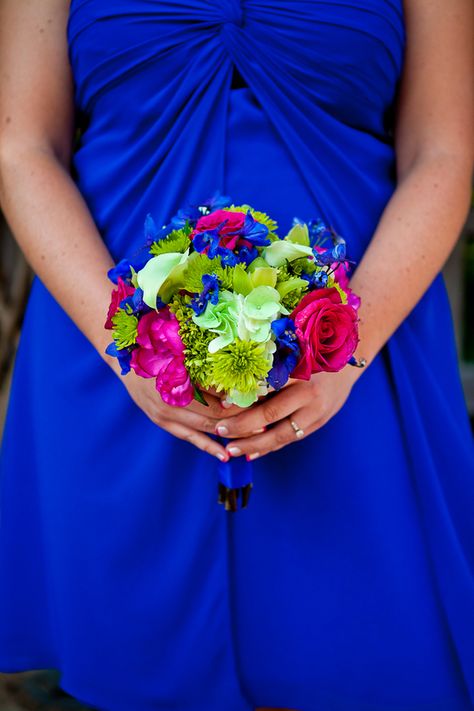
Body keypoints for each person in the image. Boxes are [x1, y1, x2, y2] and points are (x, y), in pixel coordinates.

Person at [0, 1, 473, 710]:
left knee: (360, 666)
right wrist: (129, 347)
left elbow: (445, 152)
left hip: (358, 370)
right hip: (116, 366)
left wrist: (345, 349)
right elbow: (22, 148)